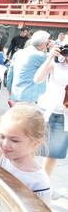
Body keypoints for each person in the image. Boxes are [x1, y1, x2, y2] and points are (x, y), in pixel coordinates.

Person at [33, 41, 68, 177]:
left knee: (52, 153)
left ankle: (43, 181)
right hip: (46, 110)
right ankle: (26, 176)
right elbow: (37, 79)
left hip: (64, 115)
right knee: (31, 146)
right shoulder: (56, 63)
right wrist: (49, 58)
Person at [7, 30, 50, 107]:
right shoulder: (39, 56)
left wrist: (9, 90)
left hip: (15, 93)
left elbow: (10, 74)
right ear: (43, 44)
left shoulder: (18, 53)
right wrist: (53, 48)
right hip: (28, 96)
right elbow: (55, 61)